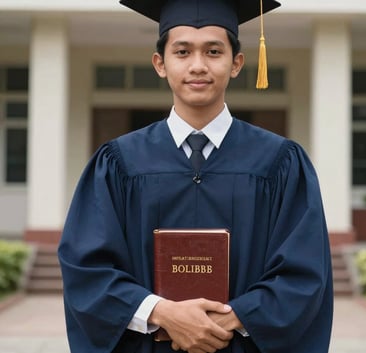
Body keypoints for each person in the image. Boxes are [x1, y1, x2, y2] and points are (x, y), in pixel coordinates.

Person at [58, 0, 333, 352]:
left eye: (214, 51)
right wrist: (163, 313)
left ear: (236, 63)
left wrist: (234, 316)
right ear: (161, 63)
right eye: (183, 51)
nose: (198, 66)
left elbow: (305, 272)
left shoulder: (280, 162)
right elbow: (87, 268)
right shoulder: (119, 162)